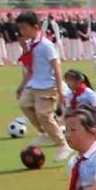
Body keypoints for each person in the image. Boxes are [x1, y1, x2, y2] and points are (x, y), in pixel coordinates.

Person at [14, 9, 70, 162]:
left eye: (24, 28)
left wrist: (59, 91)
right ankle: (46, 133)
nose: (21, 31)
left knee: (44, 115)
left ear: (35, 27)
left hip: (47, 86)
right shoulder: (32, 45)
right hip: (34, 85)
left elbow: (56, 68)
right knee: (24, 105)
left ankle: (63, 144)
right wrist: (22, 85)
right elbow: (30, 68)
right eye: (20, 28)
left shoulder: (46, 45)